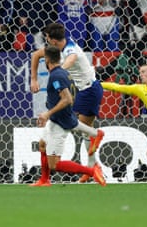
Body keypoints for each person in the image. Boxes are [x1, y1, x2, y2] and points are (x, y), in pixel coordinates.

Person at [31, 22, 104, 184]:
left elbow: (72, 57)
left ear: (53, 40)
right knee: (75, 126)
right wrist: (34, 79)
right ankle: (91, 166)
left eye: (47, 38)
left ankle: (91, 168)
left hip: (89, 90)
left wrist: (59, 71)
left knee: (79, 130)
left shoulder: (70, 49)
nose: (47, 41)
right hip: (78, 90)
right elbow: (35, 55)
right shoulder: (55, 49)